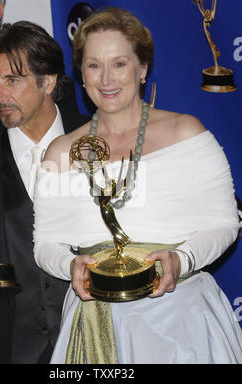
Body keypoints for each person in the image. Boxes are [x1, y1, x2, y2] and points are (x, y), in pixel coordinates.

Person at [33, 7, 242, 364]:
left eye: (119, 63)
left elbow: (224, 223)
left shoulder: (187, 134)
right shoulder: (62, 151)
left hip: (181, 319)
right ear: (81, 73)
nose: (106, 78)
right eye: (94, 65)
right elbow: (46, 243)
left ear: (142, 68)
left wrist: (182, 260)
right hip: (94, 321)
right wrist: (70, 267)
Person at [0, 0, 88, 364]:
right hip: (2, 344)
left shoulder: (96, 140)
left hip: (94, 338)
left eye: (12, 80)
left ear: (49, 81)